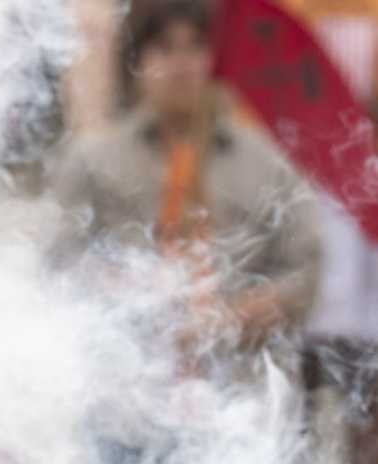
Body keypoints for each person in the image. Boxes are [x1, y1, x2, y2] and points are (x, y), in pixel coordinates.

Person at [50, 0, 322, 375]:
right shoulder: (94, 161)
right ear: (138, 63)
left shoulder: (267, 163)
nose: (181, 65)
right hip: (125, 382)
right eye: (164, 48)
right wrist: (118, 284)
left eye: (196, 47)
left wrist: (246, 312)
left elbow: (306, 269)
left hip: (238, 385)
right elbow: (60, 261)